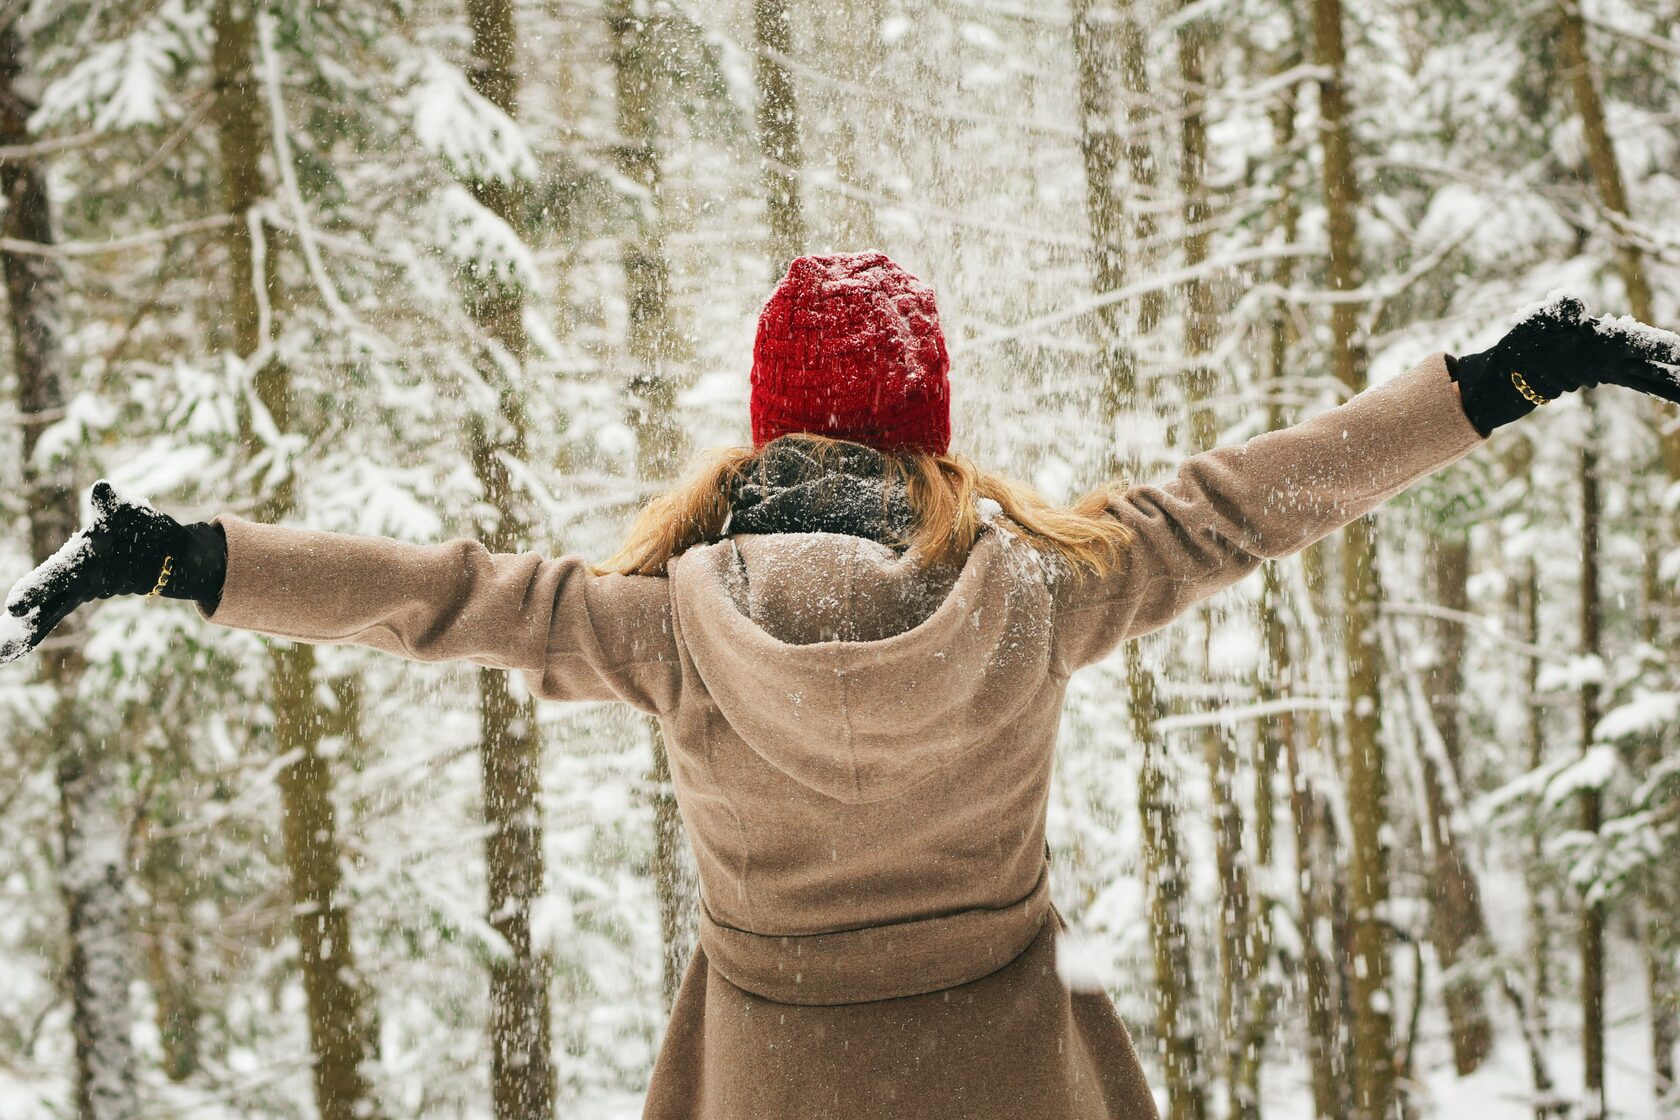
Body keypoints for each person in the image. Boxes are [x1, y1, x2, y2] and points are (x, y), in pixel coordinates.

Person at [5, 252, 1679, 1119]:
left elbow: (438, 603)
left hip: (773, 1088)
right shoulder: (1040, 592)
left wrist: (185, 557)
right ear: (927, 424)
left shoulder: (662, 627)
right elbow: (1257, 499)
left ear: (765, 426)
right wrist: (1506, 378)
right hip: (1021, 1081)